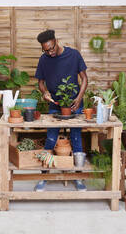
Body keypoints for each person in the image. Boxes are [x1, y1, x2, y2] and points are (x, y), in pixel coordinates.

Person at [34, 29, 88, 191]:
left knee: (76, 139)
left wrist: (78, 98)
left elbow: (84, 78)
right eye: (45, 50)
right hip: (54, 106)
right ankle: (44, 176)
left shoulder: (73, 55)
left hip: (74, 106)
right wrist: (44, 92)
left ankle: (78, 178)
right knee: (51, 138)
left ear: (56, 41)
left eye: (51, 48)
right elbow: (41, 82)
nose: (49, 52)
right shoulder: (44, 59)